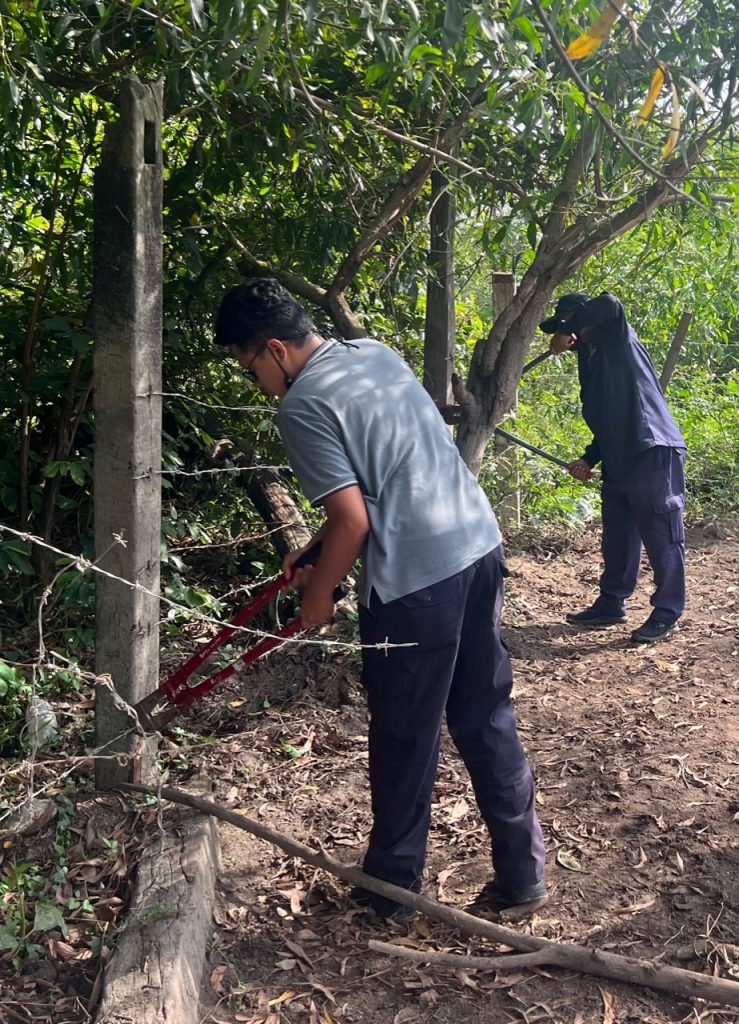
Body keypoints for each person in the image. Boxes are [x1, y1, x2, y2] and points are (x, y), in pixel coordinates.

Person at [215, 276, 546, 920]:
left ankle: (391, 889)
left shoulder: (303, 405)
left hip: (418, 584)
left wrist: (320, 593)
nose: (255, 380)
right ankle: (522, 874)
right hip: (477, 548)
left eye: (248, 365)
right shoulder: (373, 354)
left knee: (404, 735)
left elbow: (355, 521)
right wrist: (315, 553)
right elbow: (388, 475)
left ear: (275, 350)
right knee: (484, 715)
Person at [539, 291, 687, 644]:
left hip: (651, 449)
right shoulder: (590, 359)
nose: (564, 341)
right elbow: (608, 418)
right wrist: (589, 458)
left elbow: (610, 303)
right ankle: (611, 604)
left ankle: (668, 611)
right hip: (619, 456)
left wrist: (567, 327)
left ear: (580, 324)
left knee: (661, 536)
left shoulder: (618, 337)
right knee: (617, 536)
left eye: (569, 329)